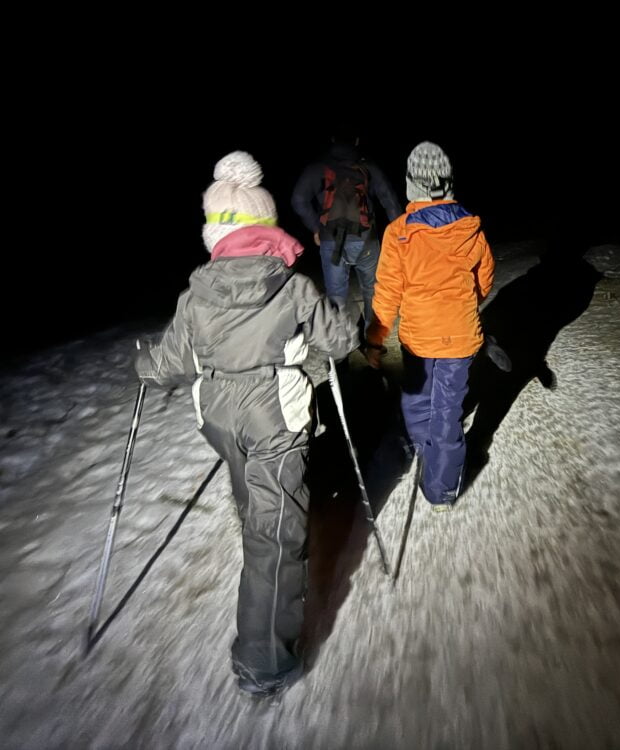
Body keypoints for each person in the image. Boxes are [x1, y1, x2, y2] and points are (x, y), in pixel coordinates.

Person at [134, 151, 357, 699]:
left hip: (219, 416)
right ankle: (264, 660)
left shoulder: (195, 295)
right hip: (273, 415)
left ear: (216, 235)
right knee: (275, 534)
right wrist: (318, 340)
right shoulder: (294, 287)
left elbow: (168, 365)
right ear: (267, 226)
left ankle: (261, 562)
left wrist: (142, 364)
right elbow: (341, 341)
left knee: (255, 506)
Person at [364, 141, 494, 510]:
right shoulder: (470, 227)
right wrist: (465, 305)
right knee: (448, 410)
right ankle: (442, 489)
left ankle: (424, 448)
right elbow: (484, 279)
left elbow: (387, 291)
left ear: (411, 184)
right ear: (448, 182)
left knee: (418, 397)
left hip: (419, 338)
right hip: (460, 337)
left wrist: (375, 337)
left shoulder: (399, 233)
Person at [291, 134, 402, 333]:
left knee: (336, 294)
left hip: (330, 240)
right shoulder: (369, 166)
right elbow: (389, 200)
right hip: (365, 240)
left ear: (332, 139)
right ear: (357, 140)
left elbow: (298, 200)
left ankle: (340, 346)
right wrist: (400, 235)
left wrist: (315, 227)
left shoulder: (317, 168)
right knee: (372, 290)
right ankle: (372, 341)